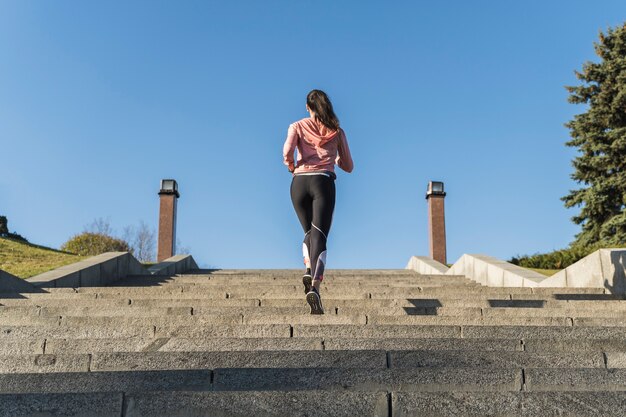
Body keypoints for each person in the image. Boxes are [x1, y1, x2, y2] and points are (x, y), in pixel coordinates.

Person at [282, 89, 354, 314]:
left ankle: (307, 267)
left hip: (299, 184)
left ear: (307, 106)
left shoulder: (296, 126)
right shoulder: (337, 131)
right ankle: (315, 285)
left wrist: (292, 166)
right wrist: (335, 157)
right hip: (323, 182)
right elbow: (349, 166)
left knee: (307, 232)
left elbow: (287, 151)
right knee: (319, 234)